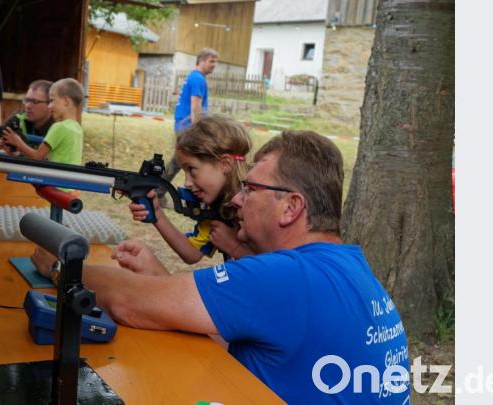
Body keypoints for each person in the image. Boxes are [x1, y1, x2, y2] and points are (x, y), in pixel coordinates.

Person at [32, 130, 410, 404]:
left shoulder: (286, 276)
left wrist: (62, 264)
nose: (238, 201)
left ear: (291, 207)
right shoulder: (348, 269)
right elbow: (238, 334)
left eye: (251, 189)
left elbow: (129, 303)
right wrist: (162, 281)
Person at [127, 116, 253, 263]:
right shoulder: (217, 210)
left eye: (192, 169)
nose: (187, 183)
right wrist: (156, 213)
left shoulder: (260, 205)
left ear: (225, 164)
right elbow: (192, 253)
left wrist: (235, 247)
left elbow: (274, 268)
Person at [157, 48, 218, 207]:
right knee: (193, 162)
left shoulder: (193, 76)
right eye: (211, 61)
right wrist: (200, 131)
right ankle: (162, 193)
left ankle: (159, 192)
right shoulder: (198, 79)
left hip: (184, 126)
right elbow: (195, 106)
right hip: (189, 127)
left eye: (215, 62)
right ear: (201, 60)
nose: (214, 65)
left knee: (181, 162)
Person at [0, 78, 83, 165]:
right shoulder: (77, 128)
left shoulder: (59, 127)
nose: (49, 106)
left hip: (55, 174)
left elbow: (37, 156)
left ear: (66, 101)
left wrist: (18, 142)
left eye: (52, 100)